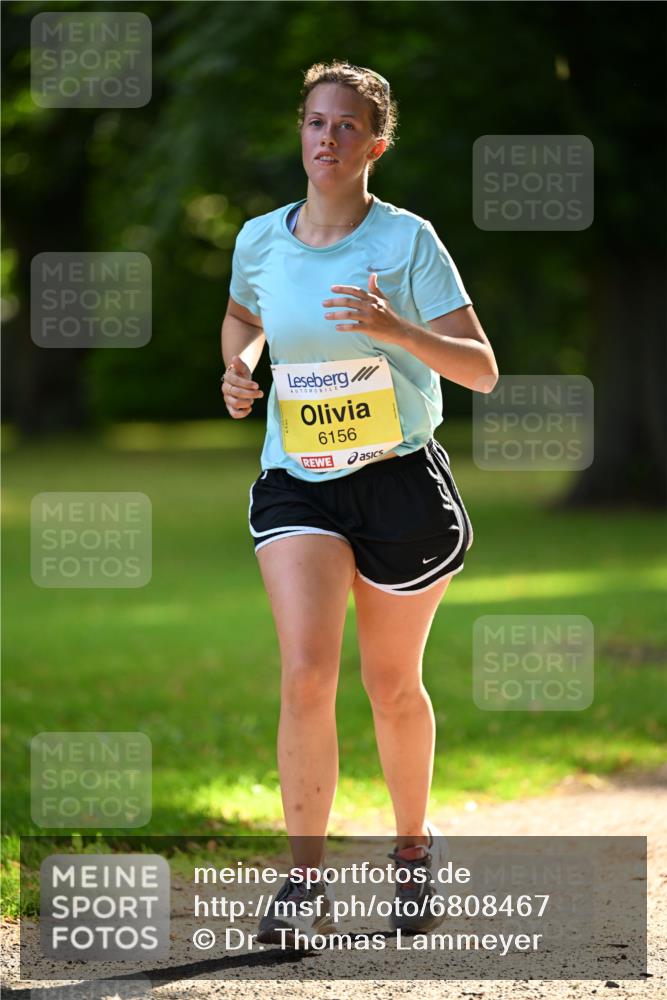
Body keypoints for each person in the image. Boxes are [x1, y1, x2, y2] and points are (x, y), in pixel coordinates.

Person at [220, 59, 498, 947]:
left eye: (345, 126)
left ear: (373, 145)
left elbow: (479, 369)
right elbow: (241, 316)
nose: (326, 137)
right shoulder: (261, 238)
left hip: (398, 484)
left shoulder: (406, 241)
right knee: (305, 672)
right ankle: (302, 882)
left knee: (389, 684)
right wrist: (238, 366)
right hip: (298, 476)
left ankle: (413, 852)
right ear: (299, 134)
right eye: (314, 121)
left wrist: (392, 329)